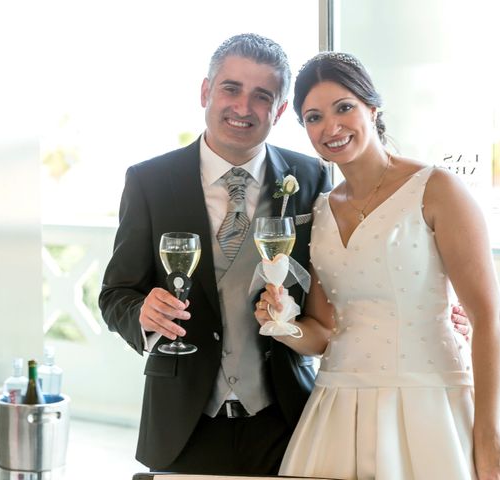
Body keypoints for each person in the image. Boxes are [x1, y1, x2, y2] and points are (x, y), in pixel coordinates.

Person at [99, 34, 470, 476]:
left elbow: (345, 270)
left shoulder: (311, 176)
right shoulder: (150, 181)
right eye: (231, 88)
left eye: (262, 96)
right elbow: (115, 291)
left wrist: (428, 306)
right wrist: (142, 312)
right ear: (205, 91)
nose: (243, 107)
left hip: (288, 417)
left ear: (277, 111)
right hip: (181, 418)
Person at [255, 52, 500, 479]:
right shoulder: (320, 210)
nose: (331, 127)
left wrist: (488, 435)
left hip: (431, 403)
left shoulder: (438, 189)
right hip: (338, 409)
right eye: (314, 117)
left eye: (344, 108)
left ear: (373, 108)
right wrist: (284, 324)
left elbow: (489, 318)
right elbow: (321, 333)